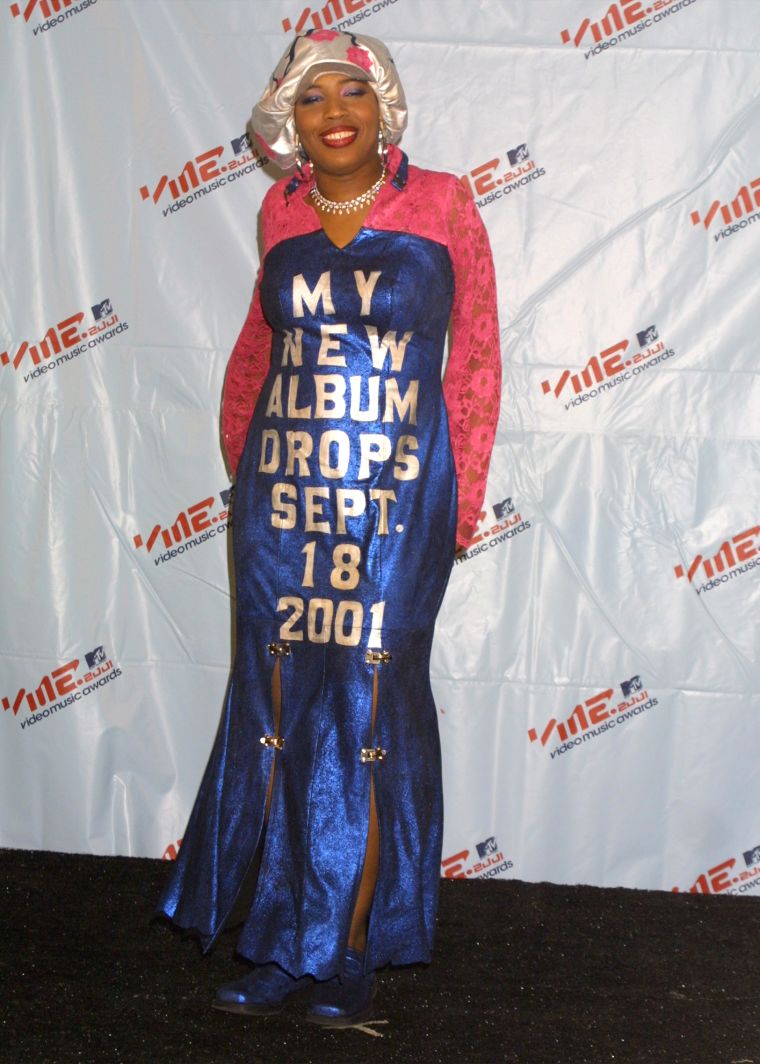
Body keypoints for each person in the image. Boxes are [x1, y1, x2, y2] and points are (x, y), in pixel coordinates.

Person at [156, 28, 501, 1028]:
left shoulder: (441, 203)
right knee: (280, 715)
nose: (333, 110)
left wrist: (461, 496)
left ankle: (347, 946)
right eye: (311, 98)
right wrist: (245, 463)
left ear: (383, 105)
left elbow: (474, 353)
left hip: (398, 505)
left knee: (368, 718)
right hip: (283, 498)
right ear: (288, 122)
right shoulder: (280, 207)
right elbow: (258, 347)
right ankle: (282, 941)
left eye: (352, 89)